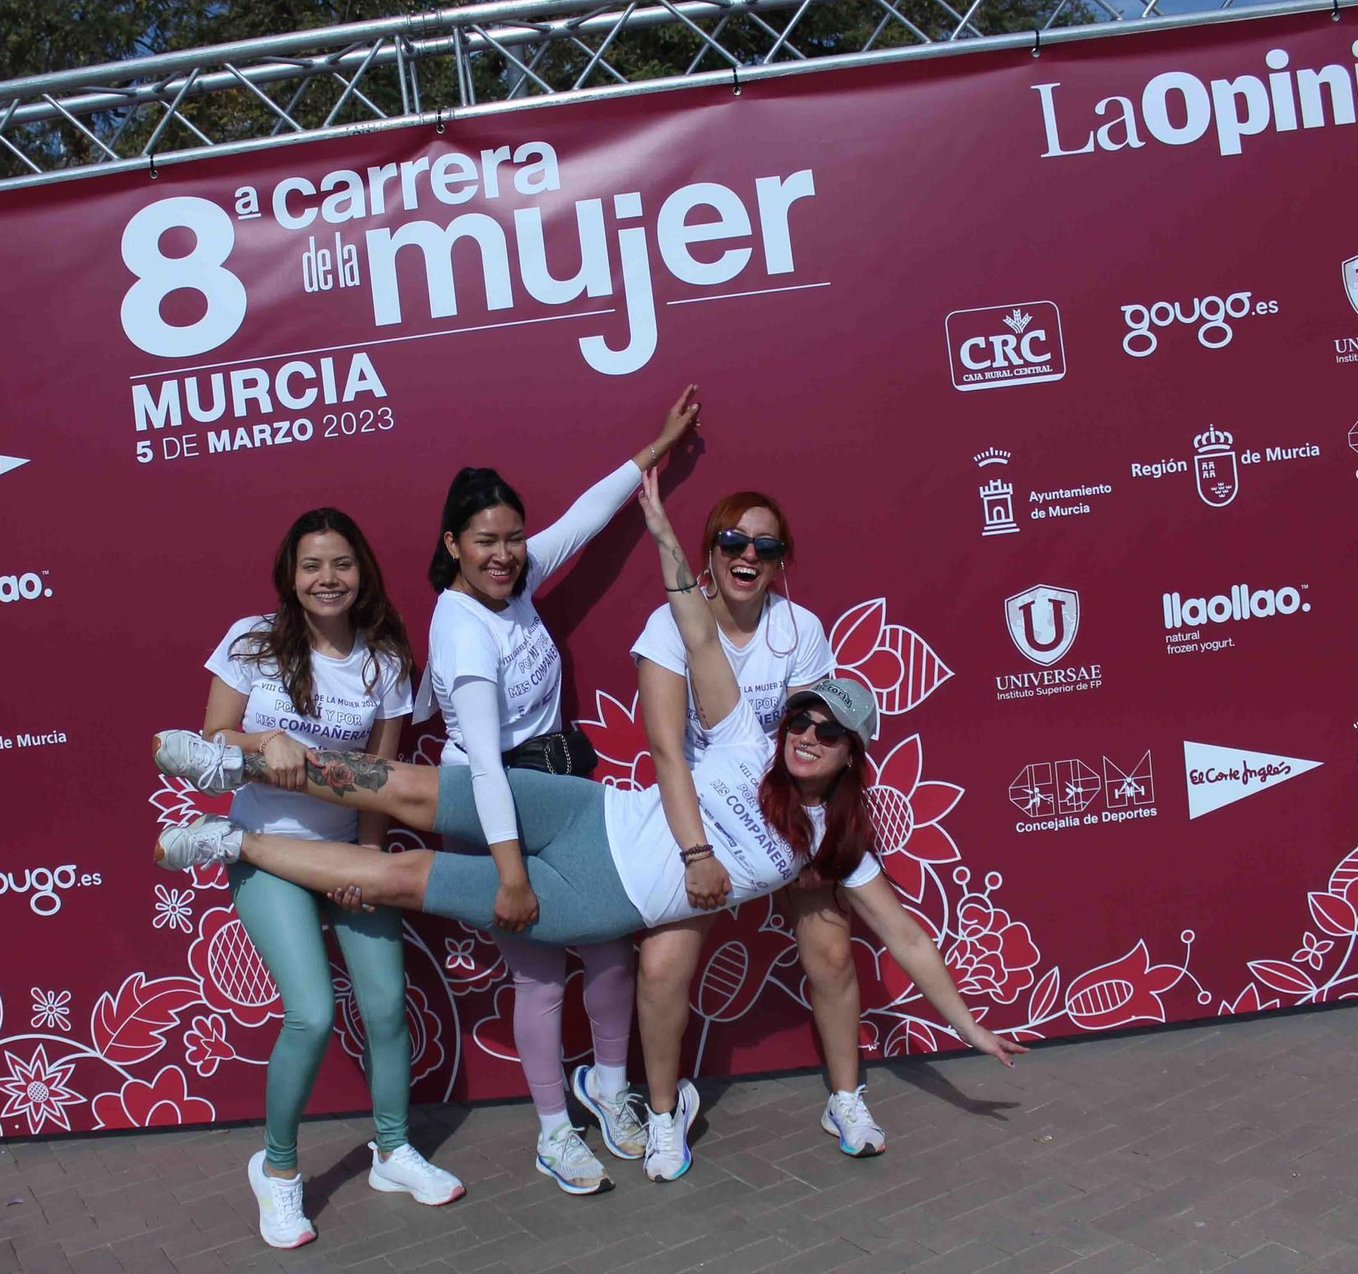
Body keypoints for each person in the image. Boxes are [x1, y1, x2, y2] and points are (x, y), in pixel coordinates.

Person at [153, 468, 1024, 1184]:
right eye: (803, 718)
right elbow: (696, 627)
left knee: (405, 880)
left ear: (849, 755)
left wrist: (971, 1026)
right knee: (401, 783)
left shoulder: (835, 842)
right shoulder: (750, 741)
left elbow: (907, 941)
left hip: (591, 894)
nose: (806, 736)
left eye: (828, 732)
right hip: (583, 807)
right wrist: (667, 538)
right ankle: (231, 764)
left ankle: (227, 841)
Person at [414, 383, 698, 1195]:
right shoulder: (463, 626)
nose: (503, 554)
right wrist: (508, 874)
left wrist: (658, 447)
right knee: (539, 973)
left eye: (510, 538)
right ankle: (551, 1132)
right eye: (484, 541)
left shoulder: (517, 573)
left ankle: (609, 1090)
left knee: (610, 949)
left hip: (562, 787)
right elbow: (490, 769)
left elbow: (584, 515)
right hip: (496, 804)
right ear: (453, 543)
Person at [192, 508, 462, 1250]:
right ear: (292, 574)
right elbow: (210, 738)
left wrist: (368, 869)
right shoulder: (253, 643)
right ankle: (278, 1174)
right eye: (312, 565)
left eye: (341, 563)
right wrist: (263, 737)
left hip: (346, 852)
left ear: (361, 570)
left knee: (385, 1004)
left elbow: (381, 780)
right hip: (267, 850)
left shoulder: (384, 661)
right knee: (310, 1013)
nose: (327, 578)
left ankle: (393, 1150)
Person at [631, 491, 889, 1159]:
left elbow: (811, 743)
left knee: (831, 949)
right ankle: (665, 1112)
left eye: (766, 547)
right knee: (660, 964)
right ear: (709, 550)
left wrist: (803, 839)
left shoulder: (802, 628)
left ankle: (845, 1099)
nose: (748, 556)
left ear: (782, 561)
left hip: (783, 815)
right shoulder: (669, 624)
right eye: (732, 541)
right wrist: (695, 850)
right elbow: (666, 749)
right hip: (699, 814)